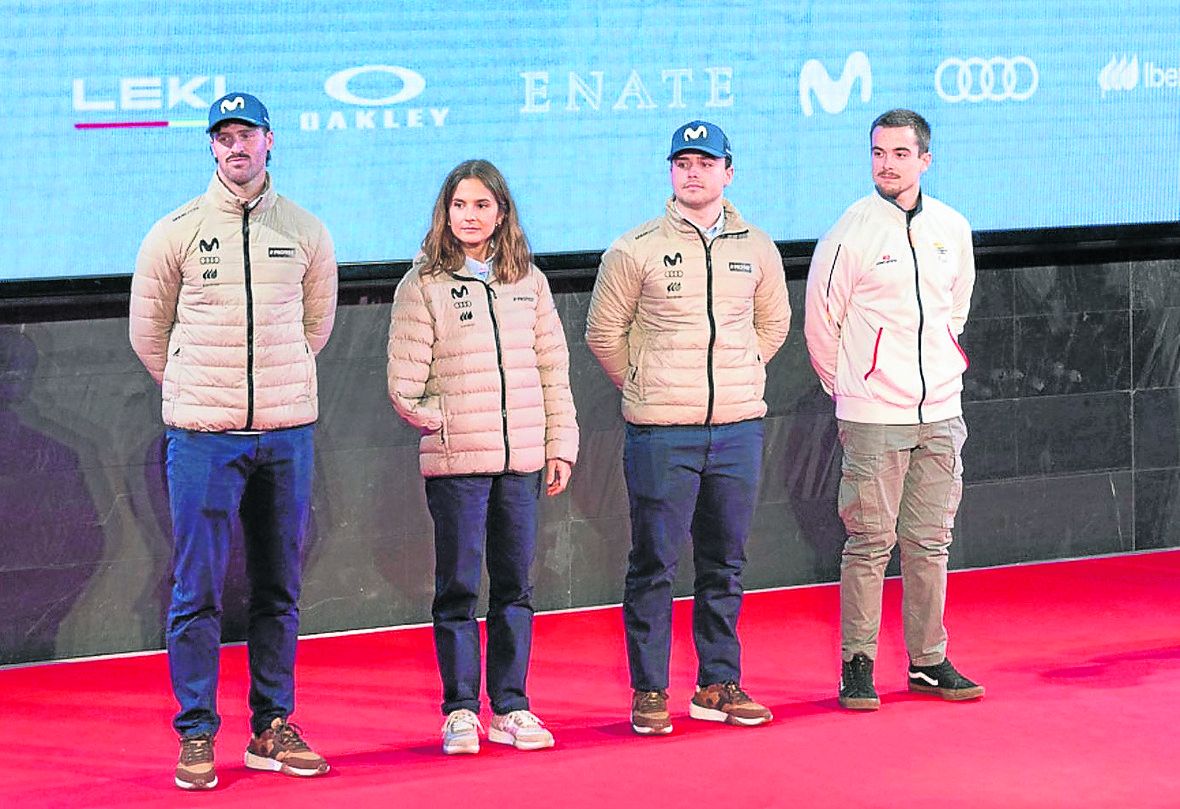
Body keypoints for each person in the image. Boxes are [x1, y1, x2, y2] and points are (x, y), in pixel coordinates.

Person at [130, 91, 337, 790]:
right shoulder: (176, 231)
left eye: (246, 133)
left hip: (285, 437)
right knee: (197, 588)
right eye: (224, 136)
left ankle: (271, 726)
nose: (236, 146)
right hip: (203, 438)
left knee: (279, 587)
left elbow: (315, 329)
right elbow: (149, 335)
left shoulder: (306, 231)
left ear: (270, 141)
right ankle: (195, 731)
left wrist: (268, 394)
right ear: (211, 148)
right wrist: (199, 392)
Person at [585, 121, 791, 735]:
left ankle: (718, 683)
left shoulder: (757, 246)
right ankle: (650, 691)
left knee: (724, 563)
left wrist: (738, 374)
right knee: (654, 563)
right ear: (670, 173)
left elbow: (772, 326)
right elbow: (604, 334)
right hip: (661, 432)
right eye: (683, 163)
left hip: (737, 430)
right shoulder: (635, 247)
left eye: (706, 162)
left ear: (729, 171)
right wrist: (647, 387)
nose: (693, 172)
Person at [387, 159, 579, 755]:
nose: (471, 217)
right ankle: (461, 710)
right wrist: (438, 421)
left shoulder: (530, 281)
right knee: (458, 588)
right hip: (458, 465)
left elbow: (553, 368)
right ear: (446, 213)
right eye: (460, 205)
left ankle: (512, 706)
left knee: (516, 587)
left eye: (482, 205)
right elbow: (403, 382)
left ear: (502, 213)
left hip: (522, 461)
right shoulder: (422, 284)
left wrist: (559, 445)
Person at [803, 108, 984, 711]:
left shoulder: (952, 228)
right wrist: (857, 386)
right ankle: (858, 665)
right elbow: (821, 326)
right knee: (869, 543)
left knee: (931, 542)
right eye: (878, 152)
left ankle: (928, 661)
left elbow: (954, 310)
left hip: (941, 410)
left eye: (900, 154)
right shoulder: (850, 232)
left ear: (924, 159)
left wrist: (939, 369)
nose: (887, 164)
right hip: (873, 412)